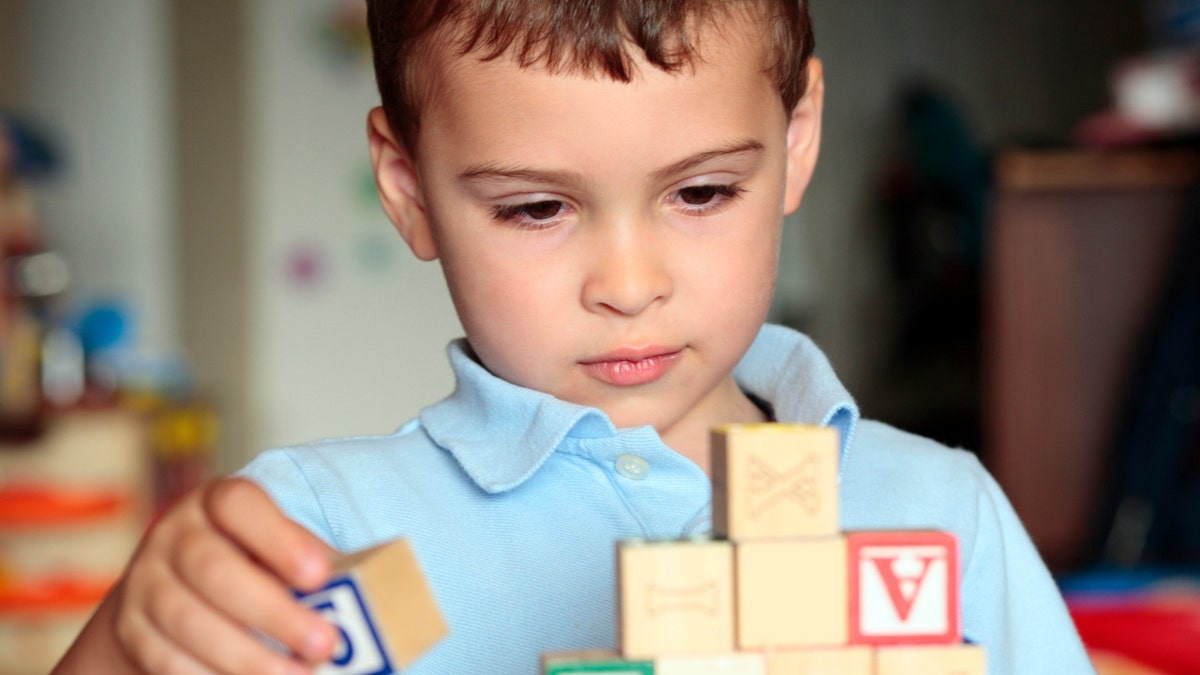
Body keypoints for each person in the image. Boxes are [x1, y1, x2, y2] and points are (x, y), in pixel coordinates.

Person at [54, 1, 1094, 673]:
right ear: (408, 188)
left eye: (701, 191)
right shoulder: (310, 535)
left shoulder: (943, 513)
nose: (630, 286)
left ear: (798, 140)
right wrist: (122, 644)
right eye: (537, 210)